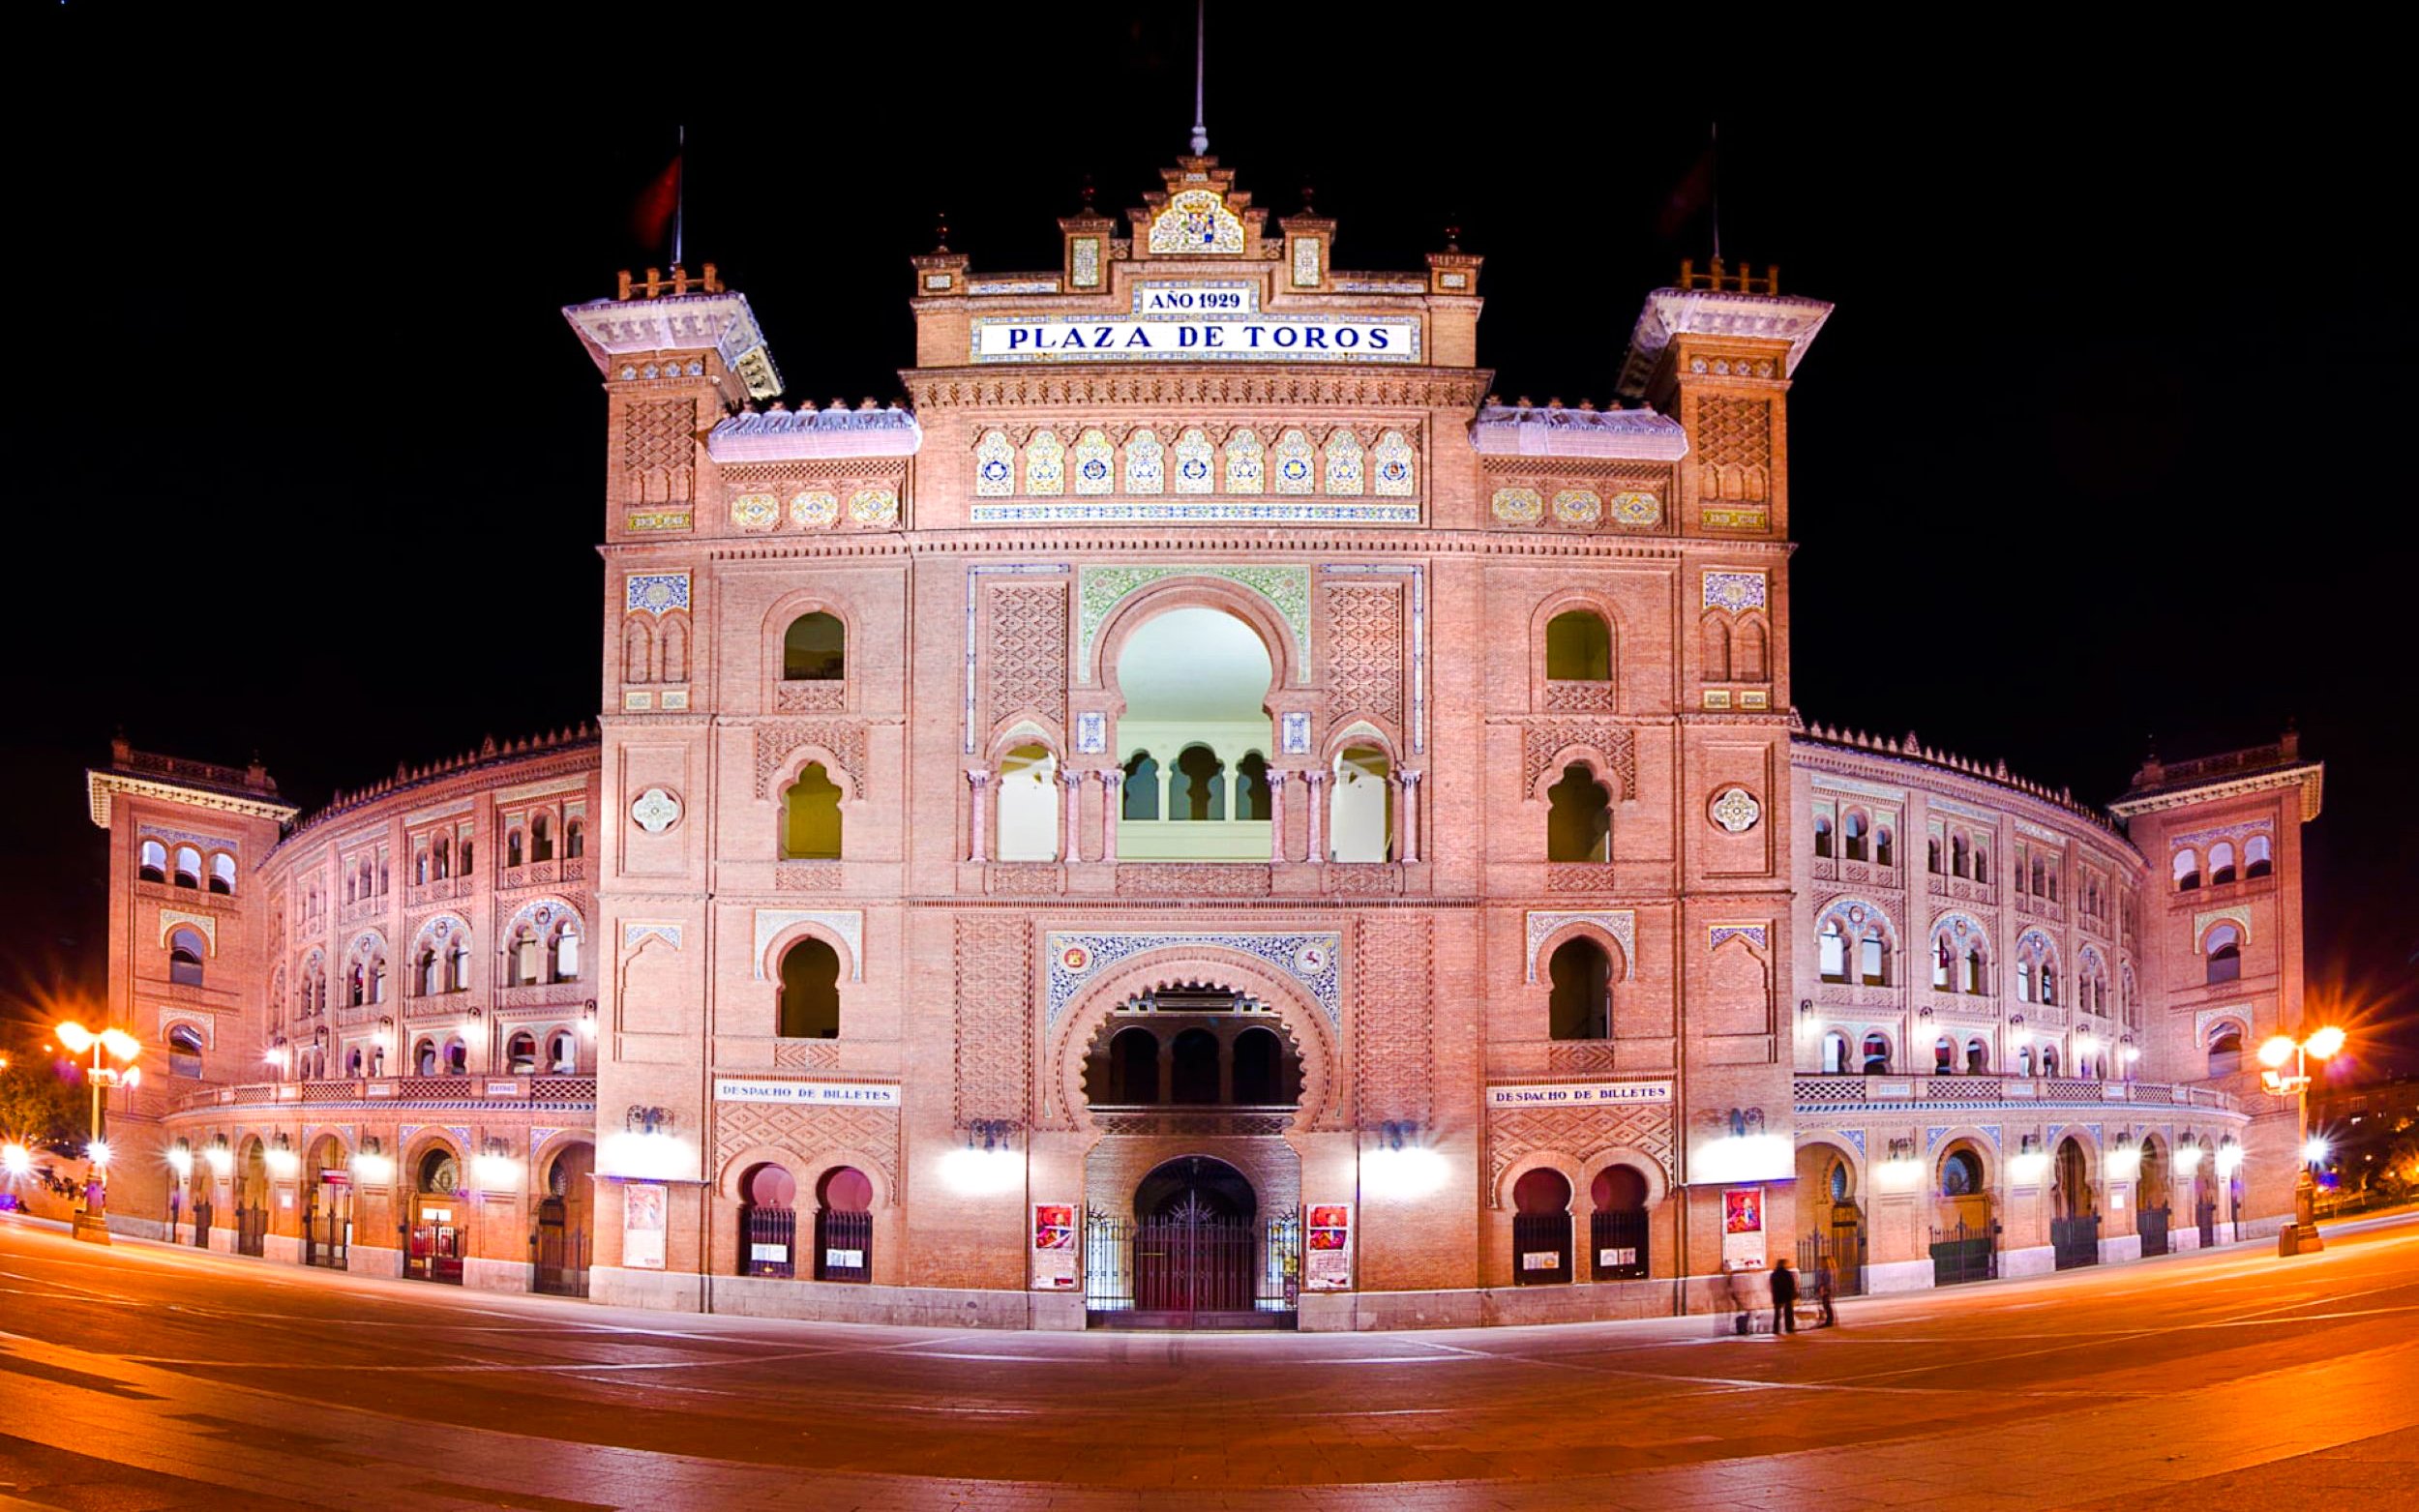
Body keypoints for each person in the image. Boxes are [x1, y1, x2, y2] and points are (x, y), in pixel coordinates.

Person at [1769, 1258, 1798, 1334]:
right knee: (1788, 1312)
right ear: (1784, 1264)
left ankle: (1776, 1329)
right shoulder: (1787, 1273)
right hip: (1787, 1294)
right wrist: (1792, 1292)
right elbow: (1791, 1284)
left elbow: (1772, 1284)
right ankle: (1789, 1327)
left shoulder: (1774, 1273)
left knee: (1777, 1313)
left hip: (1777, 1294)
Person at [1813, 1258, 1837, 1328]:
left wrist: (1825, 1289)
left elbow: (1828, 1282)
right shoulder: (1824, 1270)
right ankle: (1829, 1320)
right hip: (1826, 1290)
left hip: (1827, 1290)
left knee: (1827, 1305)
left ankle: (1829, 1321)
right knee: (1826, 1305)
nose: (1821, 1263)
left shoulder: (1828, 1271)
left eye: (1822, 1262)